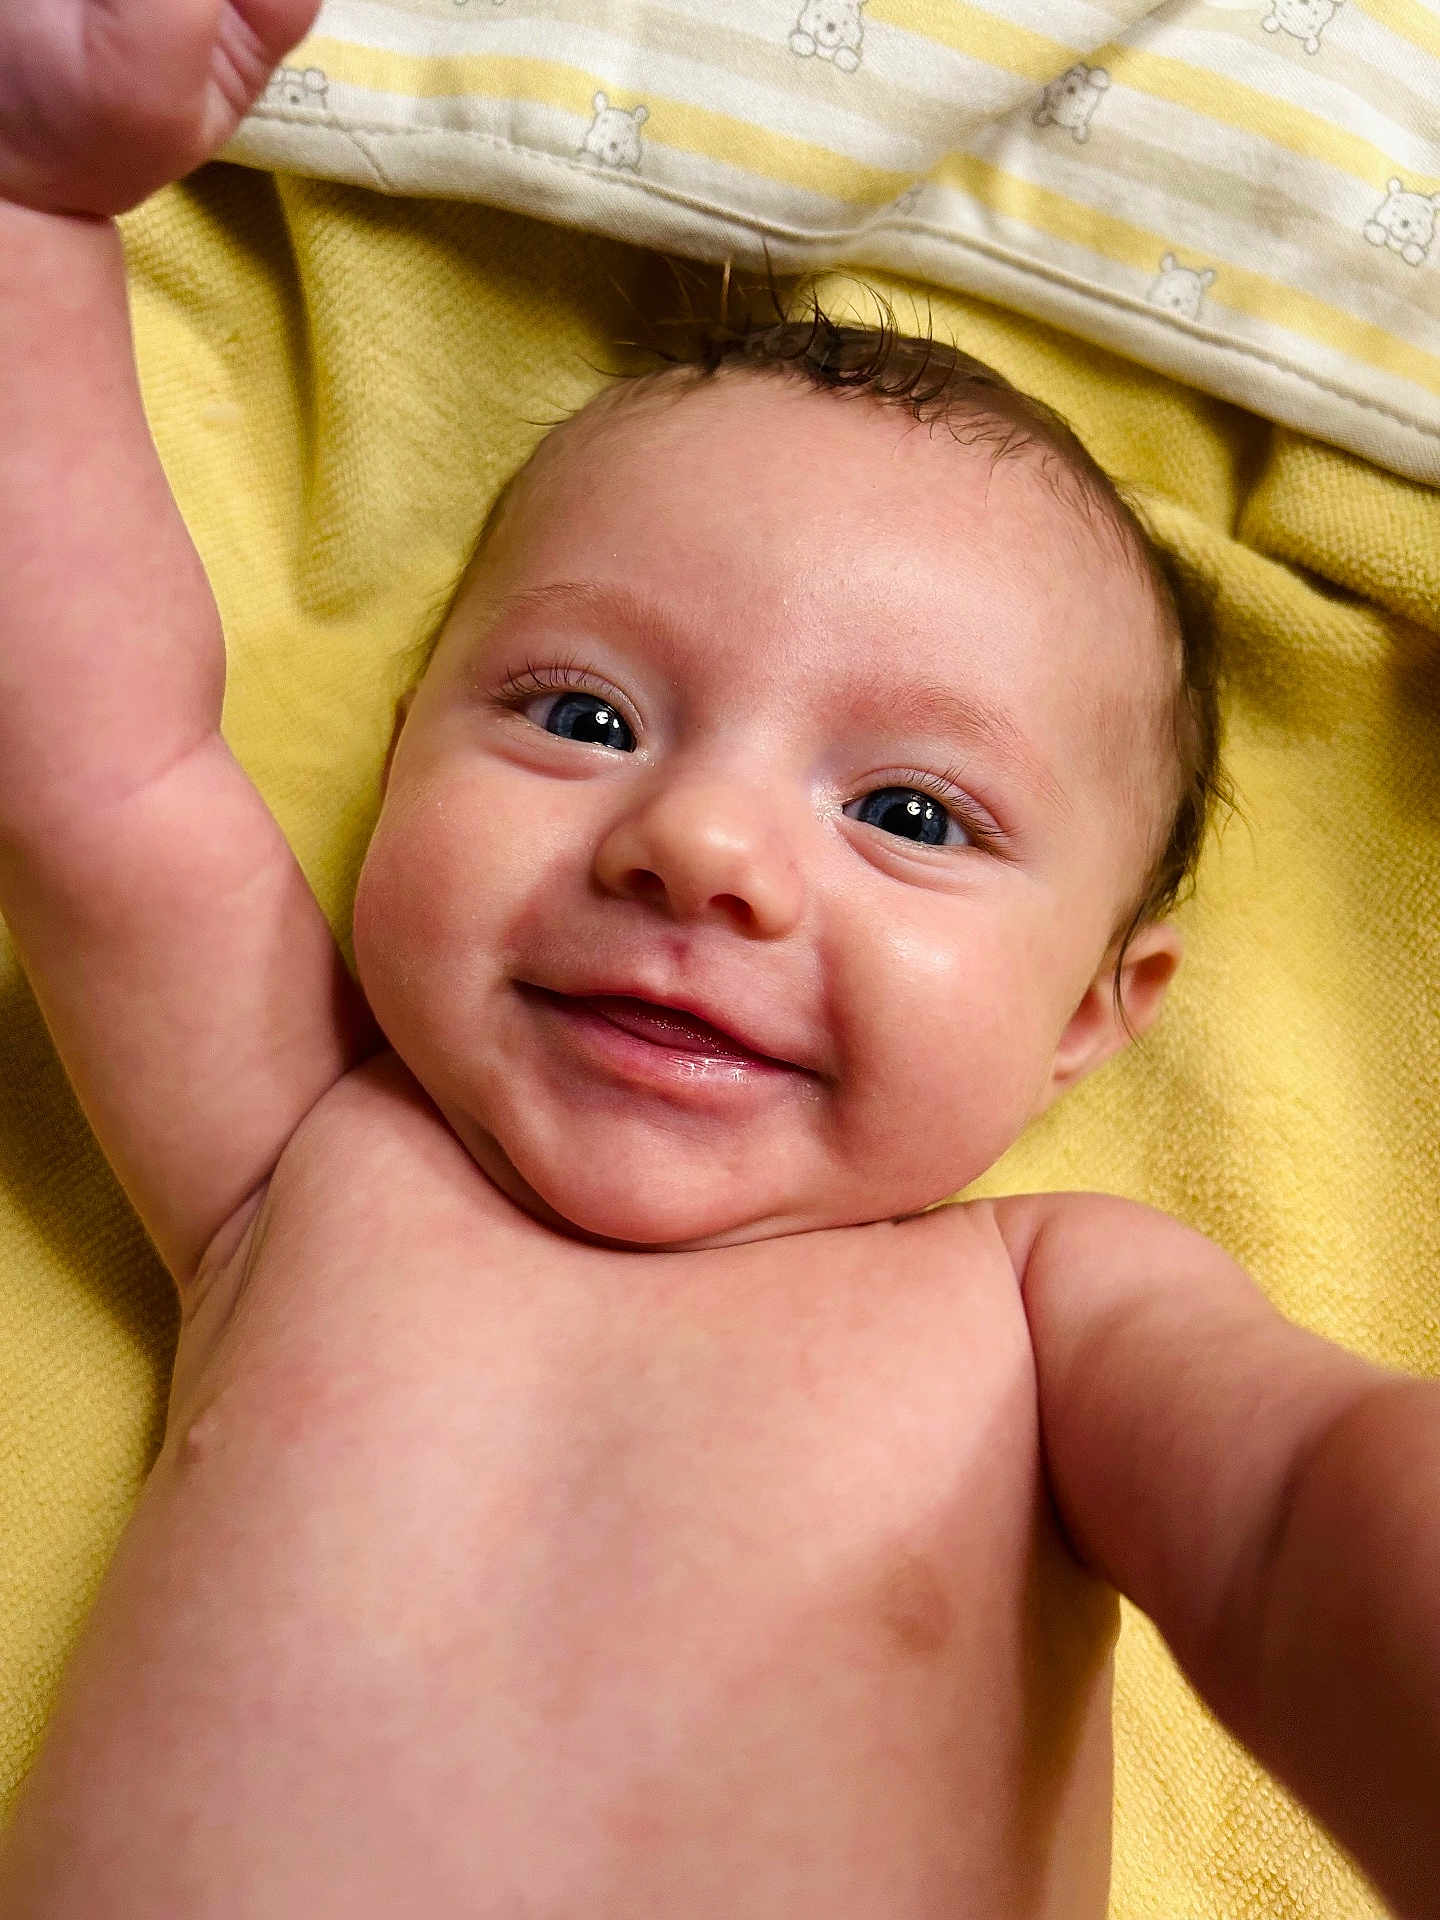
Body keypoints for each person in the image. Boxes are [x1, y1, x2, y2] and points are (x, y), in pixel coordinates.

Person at [0, 5, 1436, 1916]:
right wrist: (29, 205)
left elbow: (1284, 1522)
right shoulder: (302, 1154)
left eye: (912, 815)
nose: (700, 846)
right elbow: (97, 771)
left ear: (1095, 1010)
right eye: (584, 715)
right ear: (409, 736)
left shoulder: (1049, 1311)